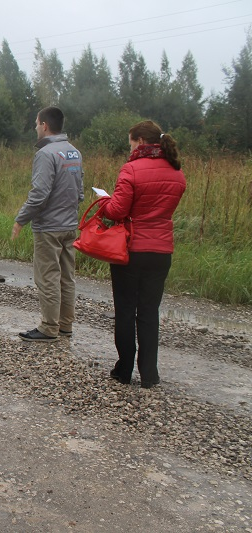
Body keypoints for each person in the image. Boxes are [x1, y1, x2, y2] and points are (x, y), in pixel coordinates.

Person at [99, 120, 186, 388]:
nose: (129, 148)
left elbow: (117, 211)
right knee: (149, 312)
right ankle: (150, 374)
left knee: (125, 310)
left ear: (139, 141)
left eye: (130, 143)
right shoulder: (176, 173)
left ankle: (124, 369)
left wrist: (104, 202)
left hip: (132, 249)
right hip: (161, 251)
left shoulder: (131, 170)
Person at [12, 106, 84, 342]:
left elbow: (39, 194)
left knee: (48, 276)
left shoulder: (45, 154)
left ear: (44, 125)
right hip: (69, 225)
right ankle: (65, 325)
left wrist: (21, 219)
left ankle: (48, 327)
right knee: (66, 276)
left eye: (36, 124)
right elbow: (80, 193)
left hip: (49, 228)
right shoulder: (74, 152)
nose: (35, 128)